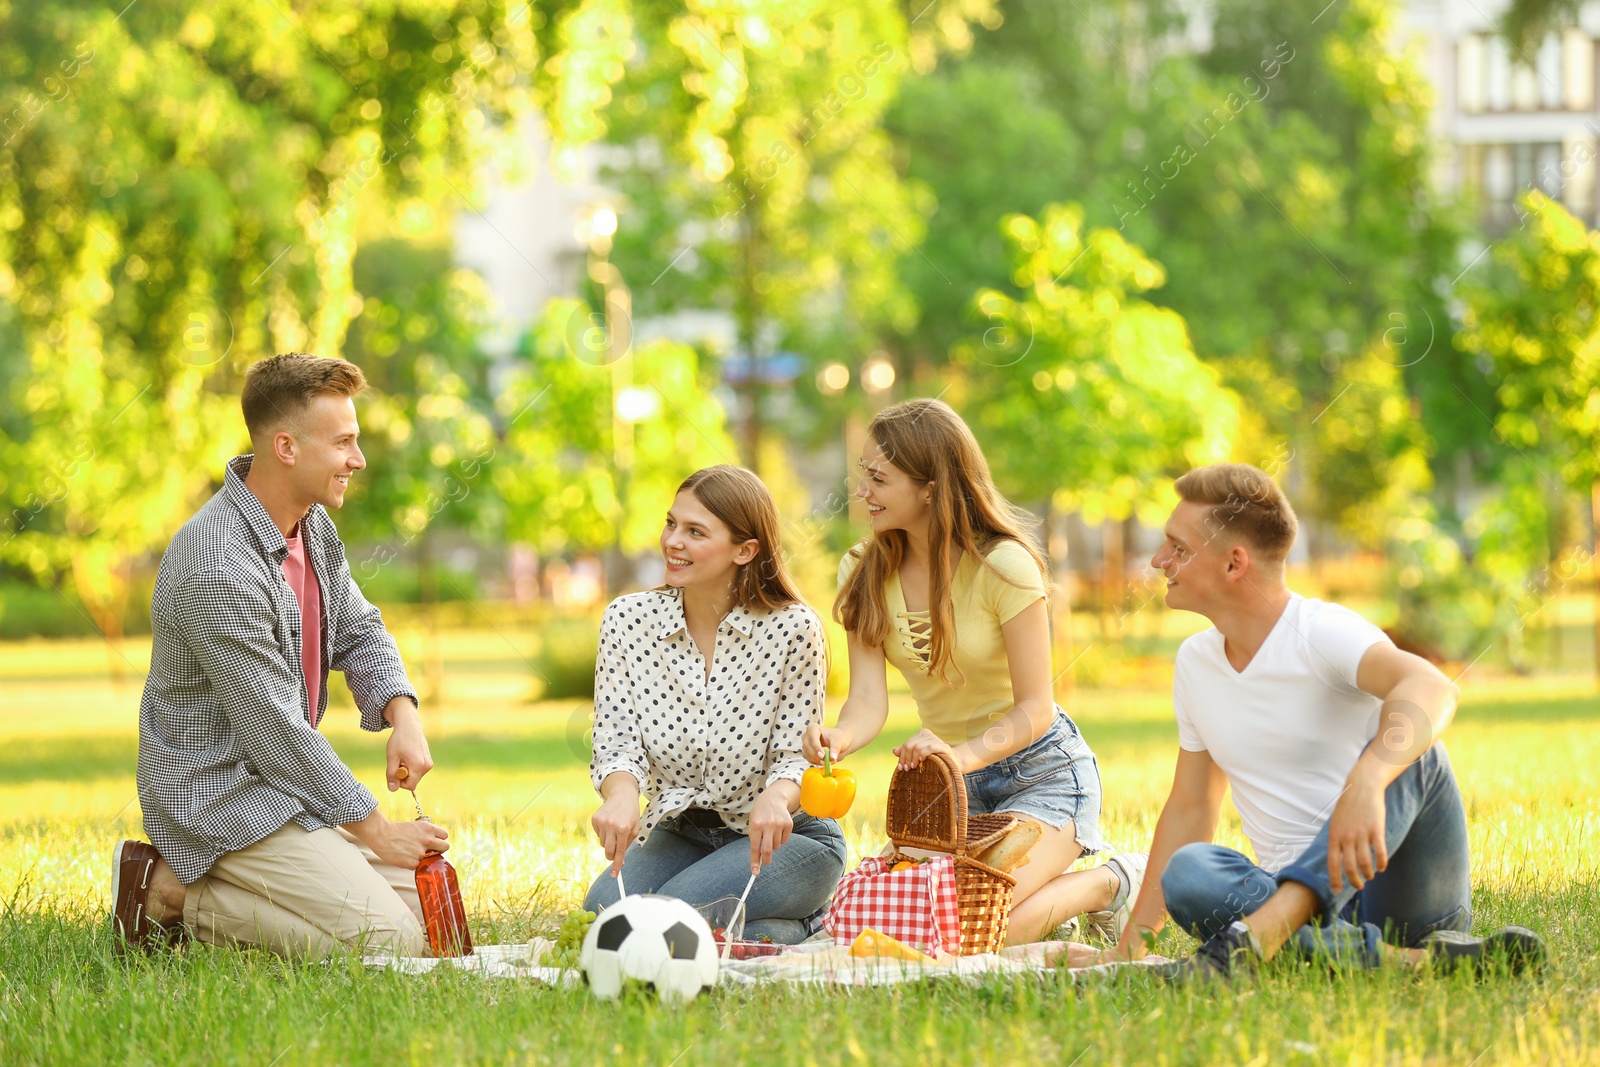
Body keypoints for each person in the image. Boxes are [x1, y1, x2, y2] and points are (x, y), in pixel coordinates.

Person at [1081, 463, 1545, 977]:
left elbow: (1432, 686)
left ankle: (1274, 935)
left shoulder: (1322, 632)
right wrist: (1131, 947)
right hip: (1286, 899)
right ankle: (1401, 963)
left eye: (1178, 548)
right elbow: (1191, 808)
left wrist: (1368, 779)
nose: (1158, 560)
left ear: (1235, 564)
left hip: (1402, 897)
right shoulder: (1195, 664)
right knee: (1189, 873)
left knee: (1419, 752)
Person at [112, 353, 447, 959]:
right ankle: (166, 894)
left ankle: (208, 891)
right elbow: (272, 730)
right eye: (344, 442)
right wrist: (375, 828)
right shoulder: (216, 560)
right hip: (221, 798)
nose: (359, 459)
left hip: (283, 792)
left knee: (424, 904)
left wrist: (404, 714)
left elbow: (359, 628)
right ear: (287, 447)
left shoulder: (310, 525)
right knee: (390, 941)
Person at [804, 399, 1144, 946]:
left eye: (878, 479)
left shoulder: (1003, 565)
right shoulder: (861, 569)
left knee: (970, 931)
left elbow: (1037, 708)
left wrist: (956, 758)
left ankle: (1110, 883)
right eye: (861, 476)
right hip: (947, 793)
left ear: (931, 487)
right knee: (898, 923)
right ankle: (1045, 906)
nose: (860, 491)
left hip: (1040, 773)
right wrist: (839, 736)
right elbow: (868, 699)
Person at [582, 465, 846, 944]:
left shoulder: (792, 630)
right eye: (671, 524)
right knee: (602, 915)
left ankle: (786, 915)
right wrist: (621, 795)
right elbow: (617, 741)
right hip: (682, 832)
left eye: (695, 532)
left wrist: (776, 797)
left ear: (745, 551)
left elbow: (794, 755)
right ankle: (787, 929)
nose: (672, 542)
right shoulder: (627, 621)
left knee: (662, 924)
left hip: (788, 838)